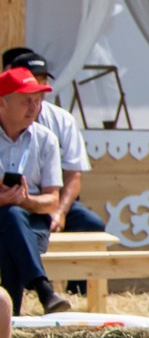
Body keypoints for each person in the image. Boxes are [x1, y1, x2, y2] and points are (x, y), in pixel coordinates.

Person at [1, 51, 103, 233]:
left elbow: (74, 174)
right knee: (13, 217)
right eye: (33, 78)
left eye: (43, 79)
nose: (38, 85)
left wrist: (60, 212)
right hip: (12, 204)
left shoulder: (63, 120)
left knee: (92, 225)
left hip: (52, 199)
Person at [0, 66, 69, 313]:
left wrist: (25, 201)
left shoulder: (46, 139)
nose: (35, 107)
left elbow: (52, 201)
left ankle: (12, 320)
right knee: (9, 220)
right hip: (18, 229)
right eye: (26, 101)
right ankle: (42, 290)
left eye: (38, 101)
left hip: (32, 224)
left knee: (11, 221)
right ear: (3, 103)